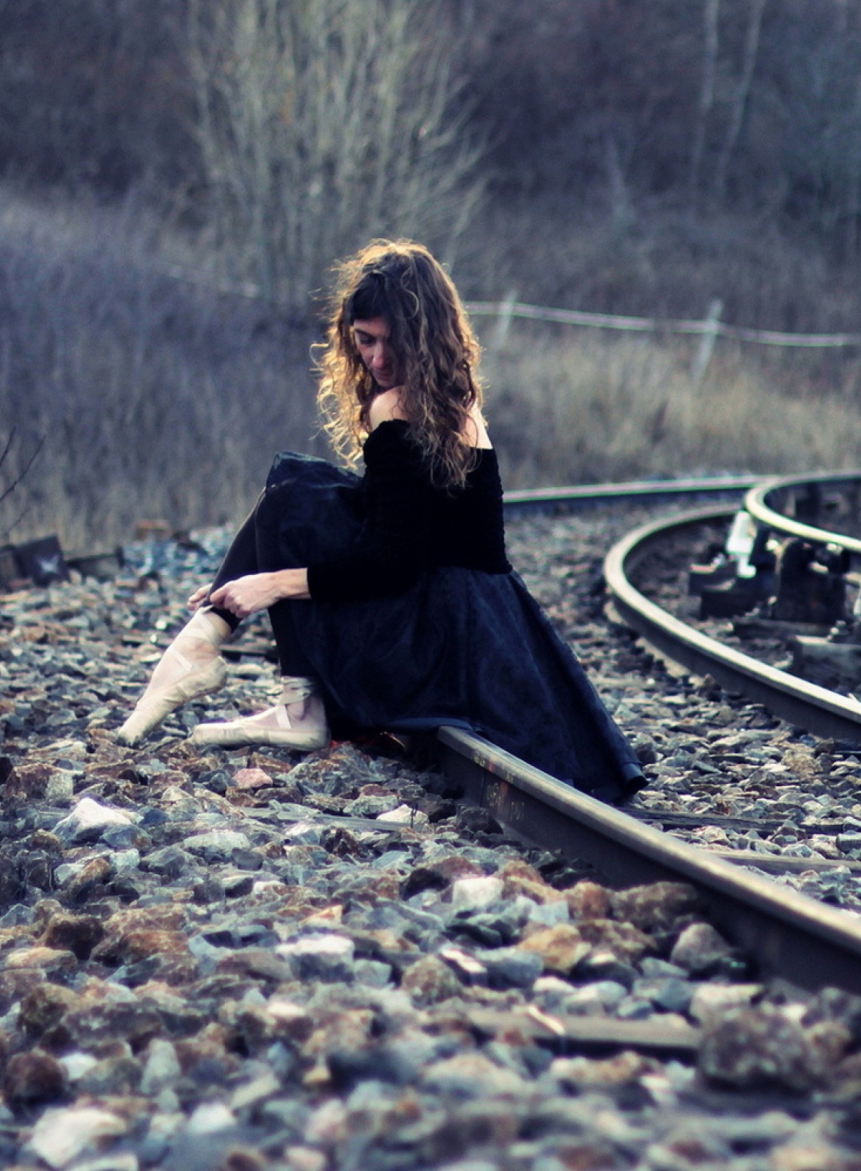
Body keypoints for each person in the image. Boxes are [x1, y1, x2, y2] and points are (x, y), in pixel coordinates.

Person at [116, 241, 647, 803]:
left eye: (392, 342)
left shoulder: (397, 407)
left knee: (295, 490)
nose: (377, 359)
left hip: (437, 640)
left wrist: (267, 584)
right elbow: (382, 529)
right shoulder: (454, 405)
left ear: (423, 336)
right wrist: (244, 578)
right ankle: (212, 638)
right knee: (307, 489)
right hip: (483, 633)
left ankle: (246, 673)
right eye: (364, 341)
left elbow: (388, 565)